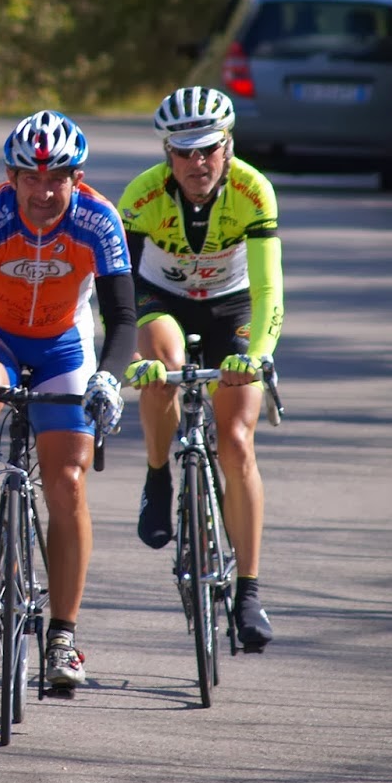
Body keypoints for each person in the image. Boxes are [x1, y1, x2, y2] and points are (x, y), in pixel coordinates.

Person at [0, 111, 135, 688]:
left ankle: (63, 637)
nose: (45, 190)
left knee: (68, 482)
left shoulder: (99, 220)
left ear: (77, 180)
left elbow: (123, 314)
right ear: (11, 177)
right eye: (31, 178)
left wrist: (110, 377)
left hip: (62, 343)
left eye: (58, 178)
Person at [117, 85, 284, 650]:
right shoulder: (139, 198)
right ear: (167, 153)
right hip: (162, 298)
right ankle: (159, 475)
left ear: (227, 145)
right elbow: (117, 295)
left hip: (232, 305)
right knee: (163, 364)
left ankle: (250, 593)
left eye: (208, 149)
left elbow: (268, 289)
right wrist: (130, 359)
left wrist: (258, 354)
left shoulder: (252, 191)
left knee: (236, 440)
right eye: (183, 151)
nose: (197, 162)